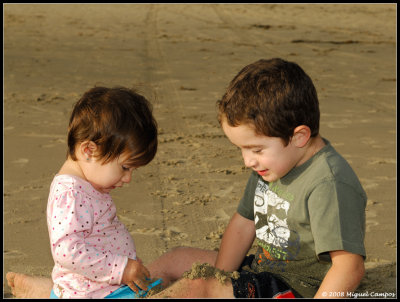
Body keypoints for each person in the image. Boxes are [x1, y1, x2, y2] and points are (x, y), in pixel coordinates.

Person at [6, 58, 367, 298]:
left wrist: (217, 284)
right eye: (242, 150)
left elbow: (348, 266)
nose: (247, 160)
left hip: (298, 285)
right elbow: (243, 225)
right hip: (265, 265)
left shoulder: (327, 182)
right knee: (179, 260)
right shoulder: (272, 163)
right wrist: (227, 274)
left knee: (199, 285)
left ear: (299, 136)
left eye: (255, 149)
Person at [8, 86, 163, 299]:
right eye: (125, 168)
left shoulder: (88, 184)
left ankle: (44, 290)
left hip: (104, 287)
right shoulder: (70, 194)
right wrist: (120, 268)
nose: (128, 179)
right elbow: (67, 251)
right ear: (89, 151)